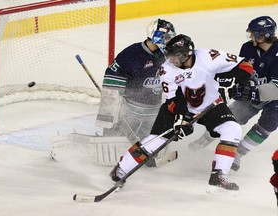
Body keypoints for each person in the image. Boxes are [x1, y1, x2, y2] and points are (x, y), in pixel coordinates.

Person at [109, 34, 254, 193]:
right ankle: (120, 170)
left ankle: (219, 175)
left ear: (186, 54)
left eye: (174, 57)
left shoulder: (209, 56)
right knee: (156, 140)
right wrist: (180, 118)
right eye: (169, 56)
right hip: (179, 107)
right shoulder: (166, 70)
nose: (171, 60)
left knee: (232, 129)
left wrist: (231, 81)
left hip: (211, 105)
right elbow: (173, 99)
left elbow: (245, 65)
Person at [188, 16, 278, 172]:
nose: (251, 37)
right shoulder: (248, 48)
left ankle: (238, 153)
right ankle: (205, 139)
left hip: (275, 97)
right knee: (232, 117)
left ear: (265, 35)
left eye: (255, 34)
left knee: (268, 123)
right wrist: (234, 83)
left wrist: (253, 93)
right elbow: (242, 70)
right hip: (254, 89)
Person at [94, 19, 177, 166]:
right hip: (130, 110)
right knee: (116, 142)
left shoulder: (168, 56)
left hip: (154, 111)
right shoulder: (132, 54)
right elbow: (111, 83)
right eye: (167, 37)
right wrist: (113, 111)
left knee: (150, 141)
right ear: (155, 35)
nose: (170, 41)